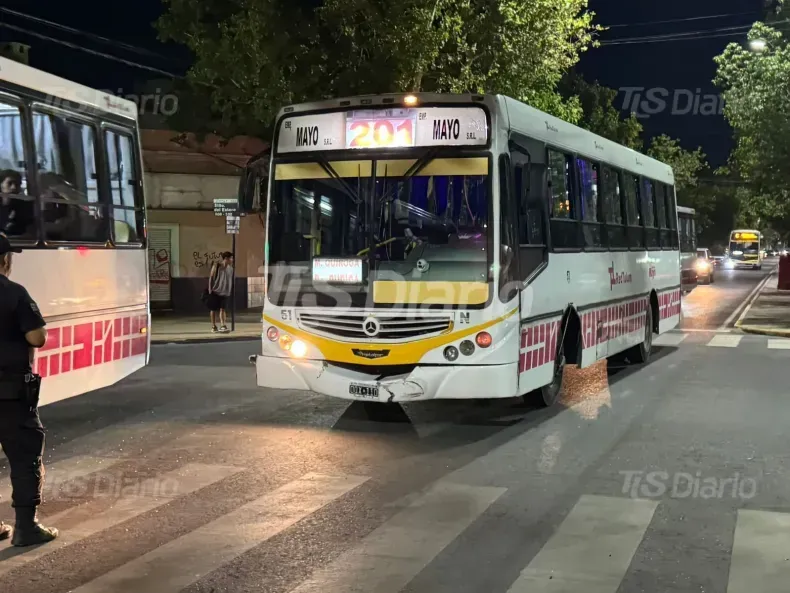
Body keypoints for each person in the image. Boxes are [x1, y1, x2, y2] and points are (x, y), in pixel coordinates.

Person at [0, 234, 59, 546]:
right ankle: (26, 527)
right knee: (25, 459)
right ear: (4, 260)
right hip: (10, 394)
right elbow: (37, 337)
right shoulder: (13, 292)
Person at [207, 252, 234, 333]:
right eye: (231, 258)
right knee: (213, 309)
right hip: (215, 291)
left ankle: (223, 325)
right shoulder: (217, 266)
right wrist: (210, 289)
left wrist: (229, 290)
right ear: (226, 258)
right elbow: (211, 277)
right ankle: (213, 326)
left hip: (225, 292)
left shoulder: (231, 269)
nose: (232, 260)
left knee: (223, 309)